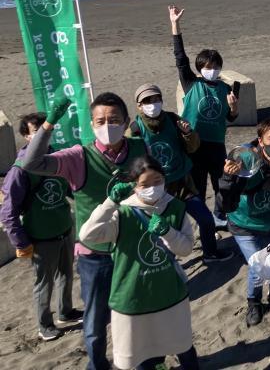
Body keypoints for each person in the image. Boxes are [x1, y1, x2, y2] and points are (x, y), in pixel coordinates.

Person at [22, 92, 148, 370]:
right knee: (94, 320)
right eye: (100, 120)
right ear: (91, 125)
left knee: (136, 314)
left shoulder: (139, 148)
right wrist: (49, 124)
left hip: (132, 248)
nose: (107, 125)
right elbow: (30, 163)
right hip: (96, 255)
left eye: (114, 119)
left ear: (126, 121)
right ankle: (97, 365)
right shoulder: (78, 157)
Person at [79, 156, 197, 370]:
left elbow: (186, 248)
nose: (152, 188)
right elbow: (87, 235)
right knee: (142, 351)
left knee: (181, 343)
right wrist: (110, 203)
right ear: (133, 185)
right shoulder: (122, 213)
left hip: (169, 294)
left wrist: (168, 232)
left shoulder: (176, 207)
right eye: (144, 184)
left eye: (157, 181)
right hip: (132, 298)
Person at [129, 83, 232, 263]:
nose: (152, 104)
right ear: (139, 105)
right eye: (147, 101)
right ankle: (167, 263)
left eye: (156, 99)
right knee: (164, 228)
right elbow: (132, 163)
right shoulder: (135, 130)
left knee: (206, 219)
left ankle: (210, 253)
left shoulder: (173, 119)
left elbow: (193, 147)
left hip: (183, 182)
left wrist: (188, 133)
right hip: (158, 189)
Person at [1, 112, 82, 342]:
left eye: (45, 130)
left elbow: (69, 188)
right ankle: (44, 324)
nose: (42, 136)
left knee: (66, 274)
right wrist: (22, 242)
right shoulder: (20, 170)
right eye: (36, 131)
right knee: (43, 284)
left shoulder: (57, 157)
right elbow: (8, 212)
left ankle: (66, 311)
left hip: (64, 229)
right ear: (26, 136)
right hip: (40, 237)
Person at [219, 117, 270, 326]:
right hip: (244, 224)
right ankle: (254, 302)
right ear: (261, 140)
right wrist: (228, 179)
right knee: (258, 265)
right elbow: (226, 204)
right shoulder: (245, 160)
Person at [169, 5, 239, 228]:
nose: (213, 69)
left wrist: (234, 108)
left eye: (216, 66)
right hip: (194, 145)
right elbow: (180, 58)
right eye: (209, 66)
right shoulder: (191, 83)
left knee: (223, 184)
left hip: (217, 144)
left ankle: (219, 216)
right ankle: (204, 224)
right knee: (198, 187)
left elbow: (231, 118)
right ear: (200, 68)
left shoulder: (227, 88)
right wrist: (175, 24)